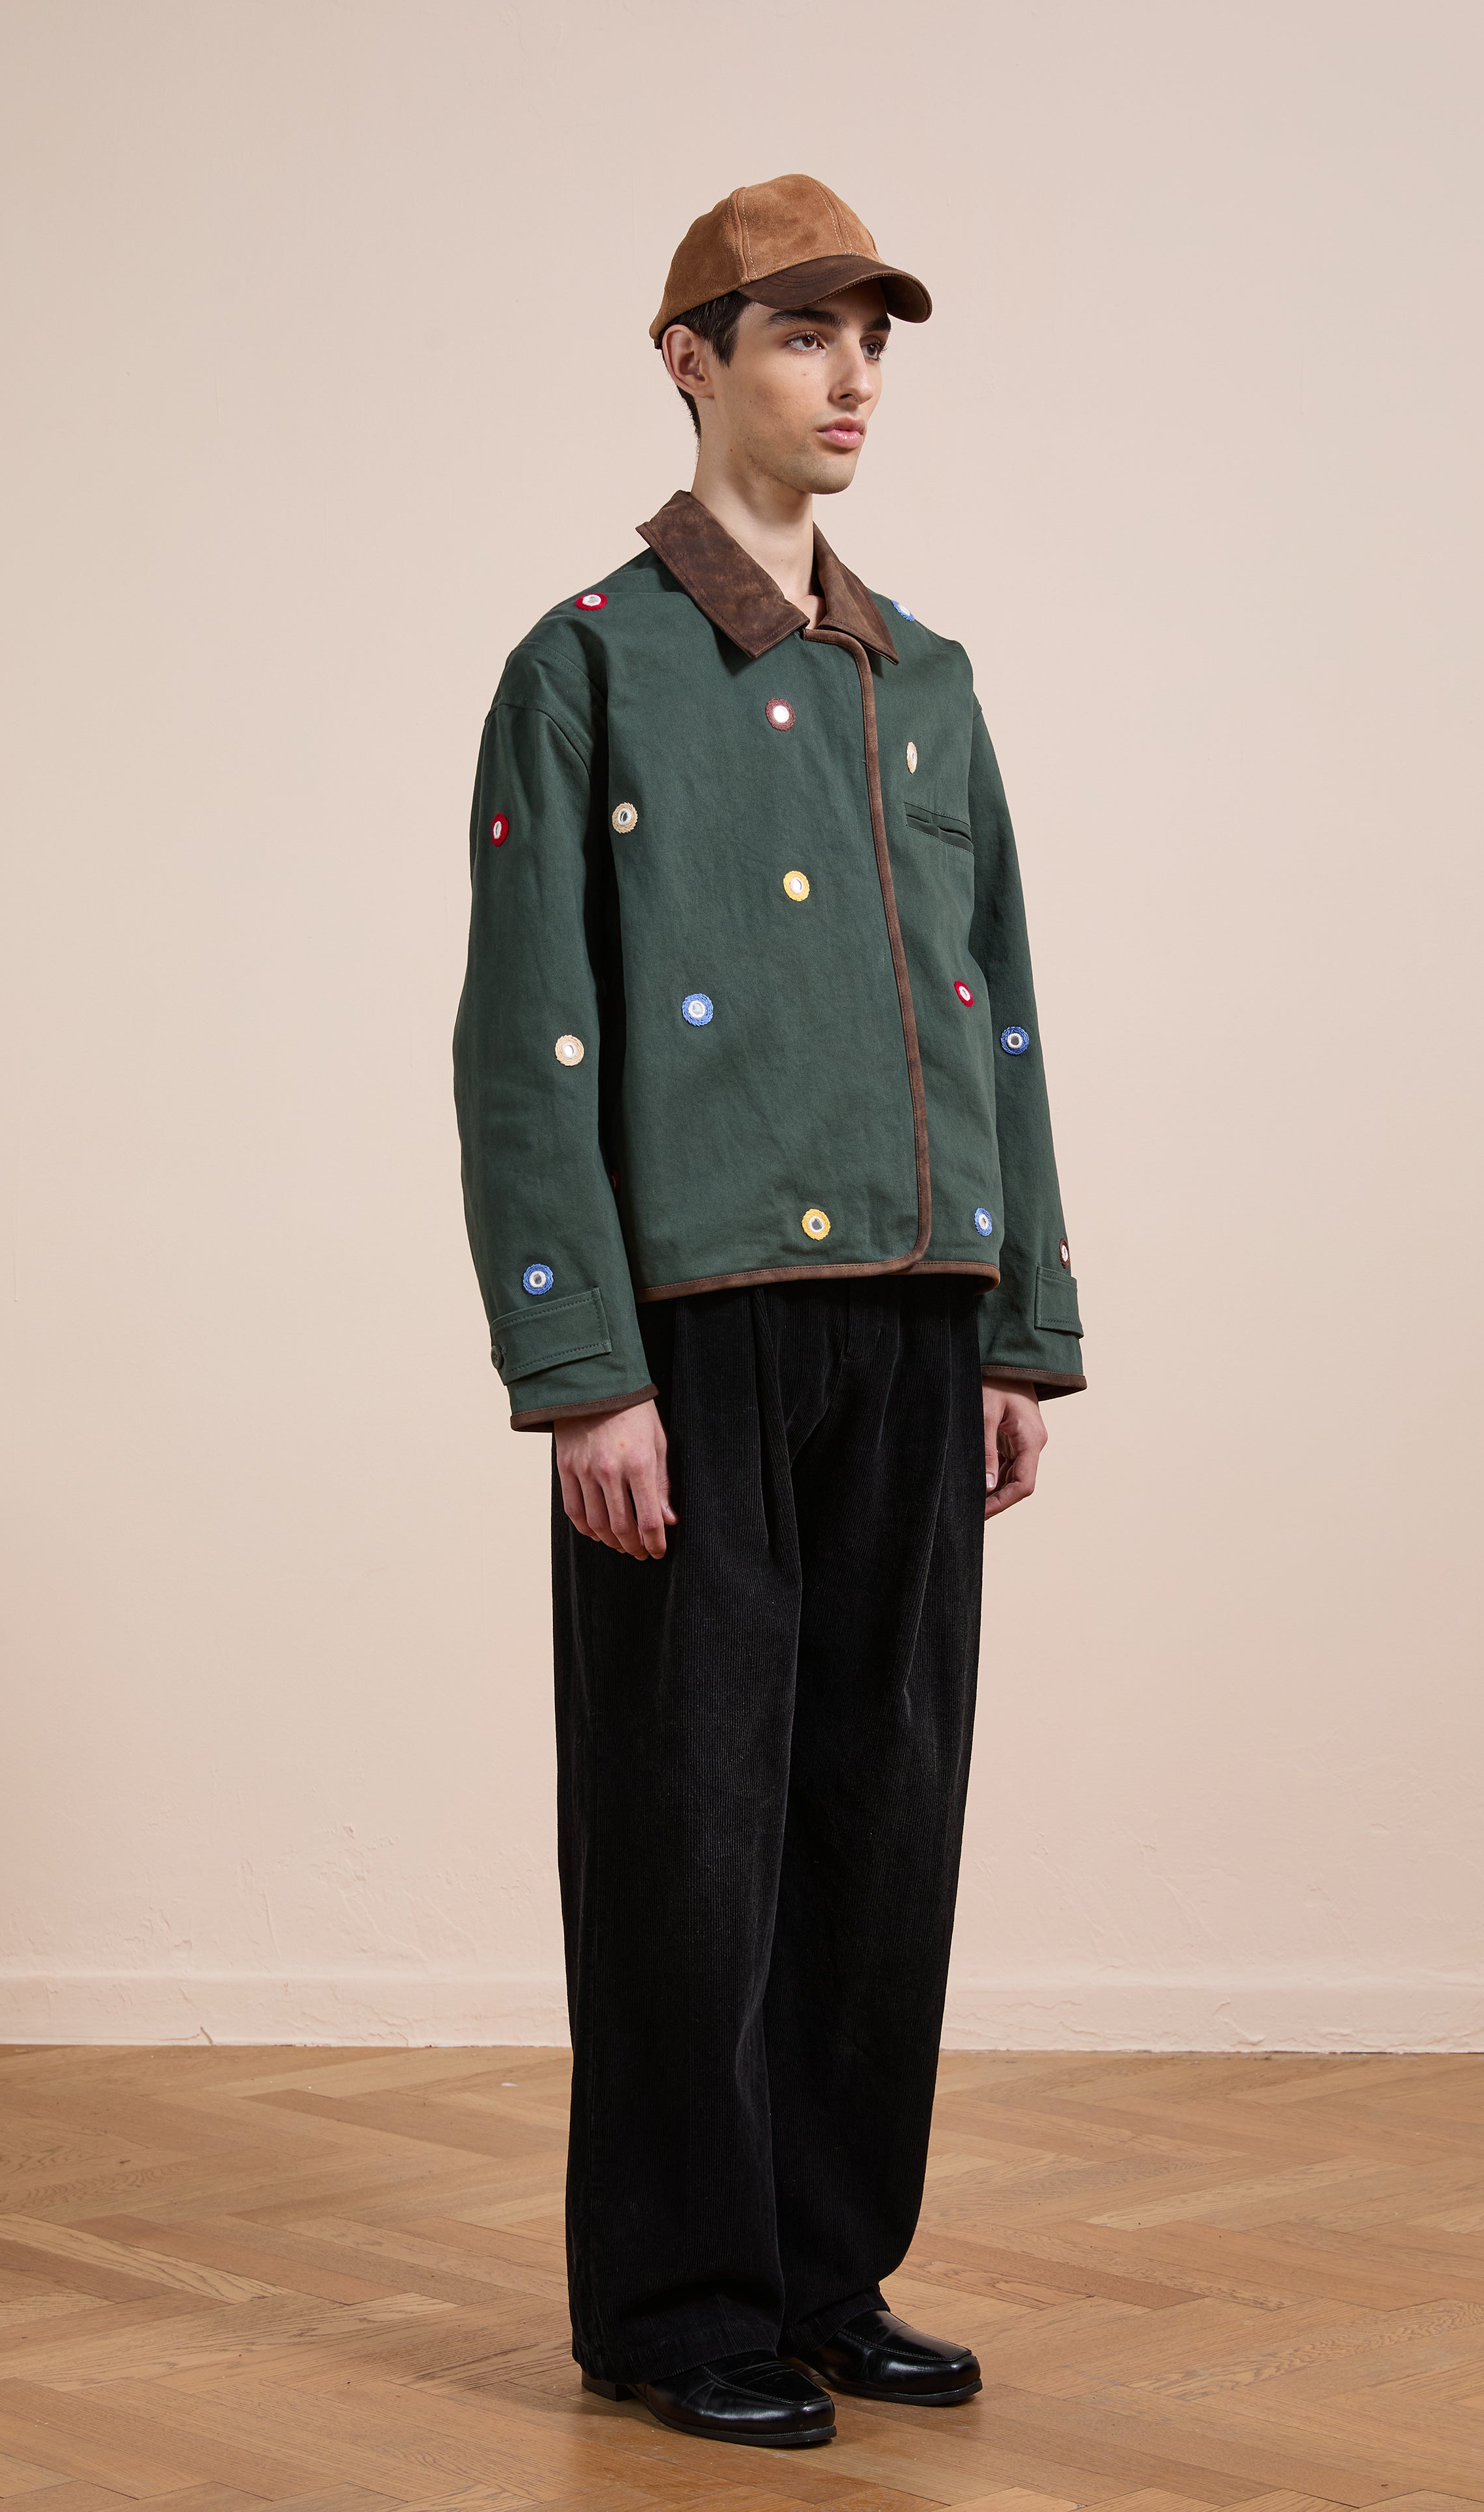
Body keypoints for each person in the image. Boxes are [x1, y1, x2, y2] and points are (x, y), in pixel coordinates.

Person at [452, 174, 1086, 2452]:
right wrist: (579, 1371)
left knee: (878, 1818)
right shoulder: (591, 665)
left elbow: (996, 1011)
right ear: (690, 358)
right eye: (804, 336)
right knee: (685, 1831)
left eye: (873, 343)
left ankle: (829, 2270)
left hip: (920, 1323)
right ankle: (676, 2302)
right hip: (696, 1337)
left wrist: (1024, 1316)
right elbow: (528, 1041)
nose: (851, 382)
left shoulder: (932, 683)